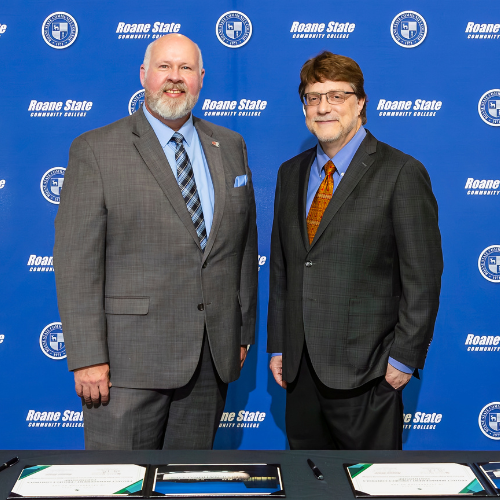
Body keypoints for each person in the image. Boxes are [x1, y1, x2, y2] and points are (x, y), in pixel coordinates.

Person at [54, 34, 258, 450]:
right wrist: (88, 356)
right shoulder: (96, 149)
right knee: (119, 485)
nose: (175, 78)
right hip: (126, 366)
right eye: (165, 67)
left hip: (210, 361)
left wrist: (241, 331)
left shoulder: (230, 145)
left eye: (186, 69)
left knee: (186, 484)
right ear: (144, 75)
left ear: (201, 79)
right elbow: (76, 264)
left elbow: (242, 247)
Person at [267, 51, 443, 450]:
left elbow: (423, 277)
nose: (323, 107)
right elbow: (283, 270)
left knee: (369, 488)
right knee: (308, 487)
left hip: (370, 374)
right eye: (313, 97)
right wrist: (279, 345)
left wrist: (402, 359)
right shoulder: (290, 172)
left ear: (361, 102)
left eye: (336, 96)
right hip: (300, 371)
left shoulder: (401, 172)